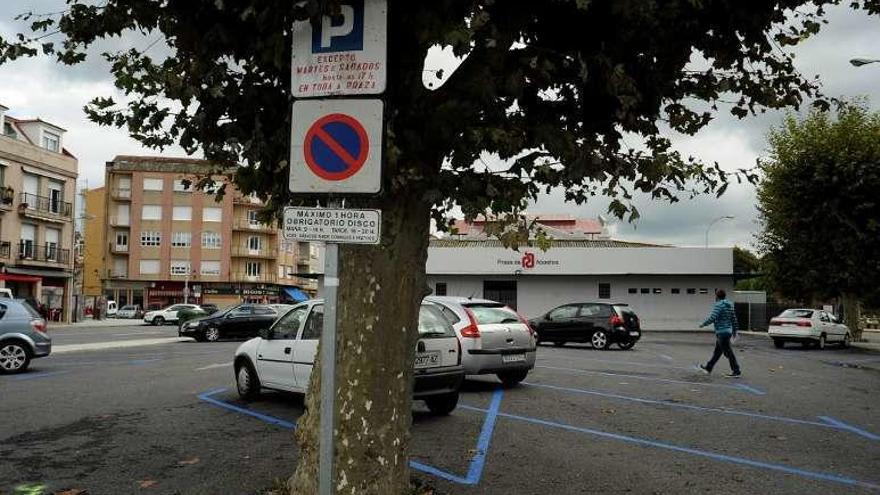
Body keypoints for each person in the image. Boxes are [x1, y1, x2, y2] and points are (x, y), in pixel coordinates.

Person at [698, 289, 741, 378]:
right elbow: (734, 319)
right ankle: (708, 367)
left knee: (728, 352)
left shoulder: (718, 305)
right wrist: (735, 331)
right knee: (717, 352)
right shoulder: (730, 305)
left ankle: (736, 370)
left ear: (717, 296)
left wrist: (703, 324)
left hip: (721, 332)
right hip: (728, 331)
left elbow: (713, 317)